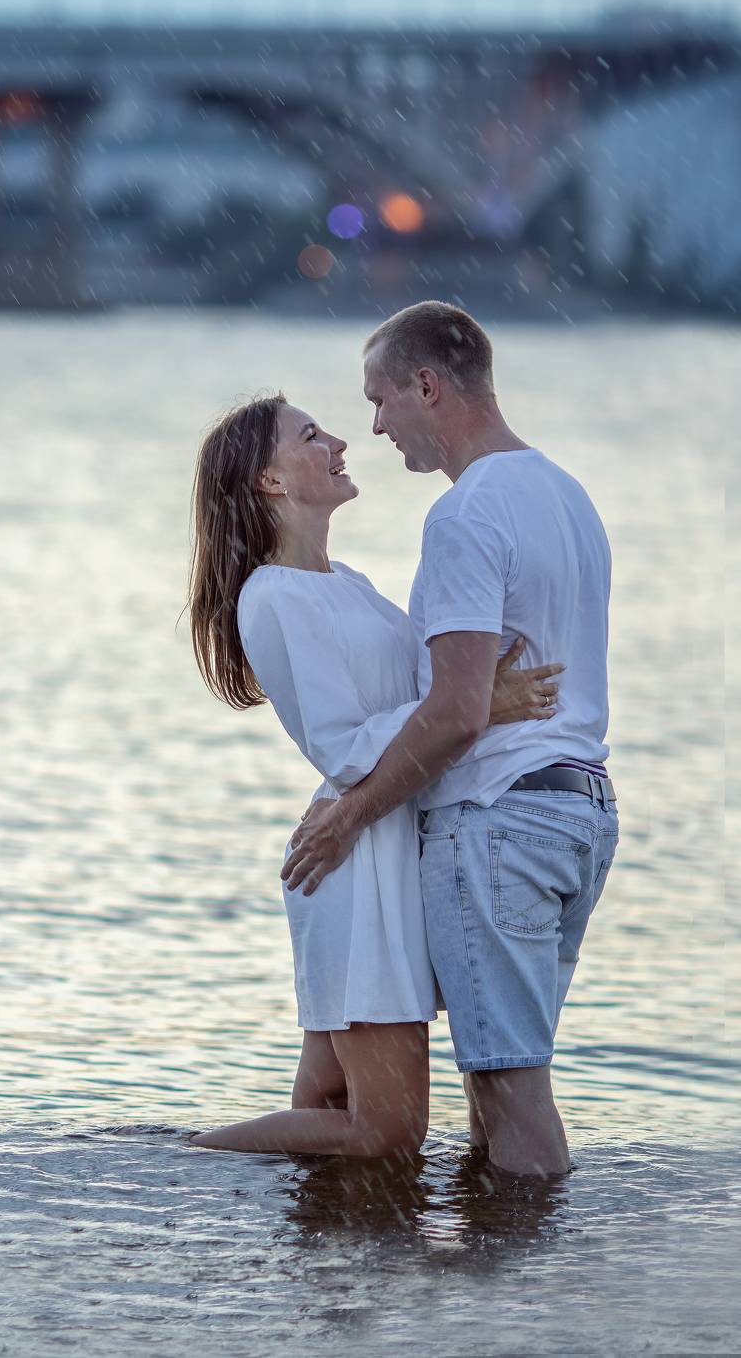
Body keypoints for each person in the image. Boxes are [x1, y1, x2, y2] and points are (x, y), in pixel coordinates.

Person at [281, 301, 619, 1178]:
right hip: (579, 811)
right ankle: (495, 1263)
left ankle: (530, 1262)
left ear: (426, 385)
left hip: (500, 822)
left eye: (380, 399)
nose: (375, 426)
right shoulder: (565, 494)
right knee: (498, 1083)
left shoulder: (466, 514)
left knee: (509, 1095)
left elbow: (457, 711)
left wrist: (349, 814)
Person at [185, 392, 562, 1158]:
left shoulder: (346, 582)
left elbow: (408, 698)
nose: (338, 441)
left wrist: (475, 683)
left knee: (333, 1100)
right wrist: (477, 705)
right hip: (357, 864)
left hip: (378, 842)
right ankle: (186, 1155)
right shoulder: (273, 596)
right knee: (386, 1132)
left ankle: (309, 1227)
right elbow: (341, 746)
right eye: (310, 435)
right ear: (269, 481)